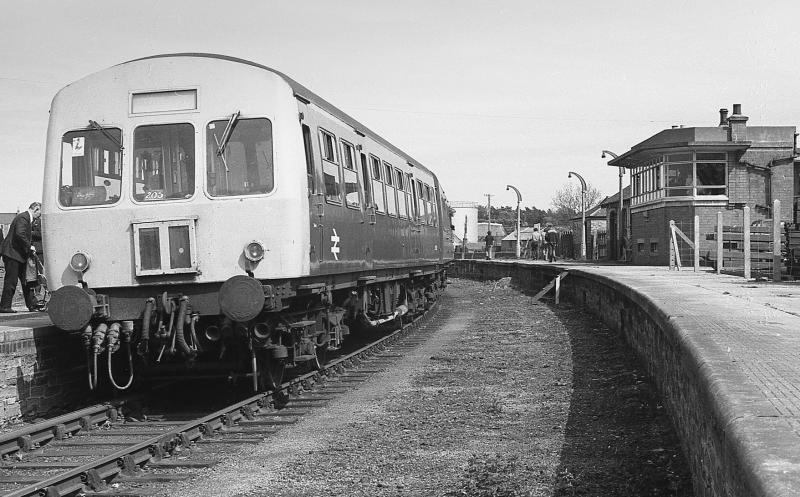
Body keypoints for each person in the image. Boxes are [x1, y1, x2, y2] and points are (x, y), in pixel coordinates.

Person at [0, 202, 42, 313]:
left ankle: (31, 305)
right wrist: (30, 247)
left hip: (18, 255)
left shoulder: (25, 218)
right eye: (39, 213)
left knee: (26, 281)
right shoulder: (23, 217)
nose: (39, 216)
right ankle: (5, 306)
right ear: (36, 209)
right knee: (11, 281)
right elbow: (20, 234)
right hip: (12, 254)